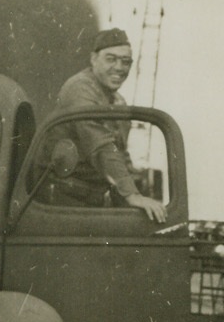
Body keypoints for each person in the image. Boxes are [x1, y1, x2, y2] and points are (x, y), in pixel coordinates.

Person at [49, 27, 166, 222]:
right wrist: (133, 195)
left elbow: (119, 152)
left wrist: (139, 190)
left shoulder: (117, 101)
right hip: (63, 201)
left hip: (90, 198)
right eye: (111, 59)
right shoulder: (80, 88)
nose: (119, 68)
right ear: (93, 59)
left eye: (125, 62)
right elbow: (101, 145)